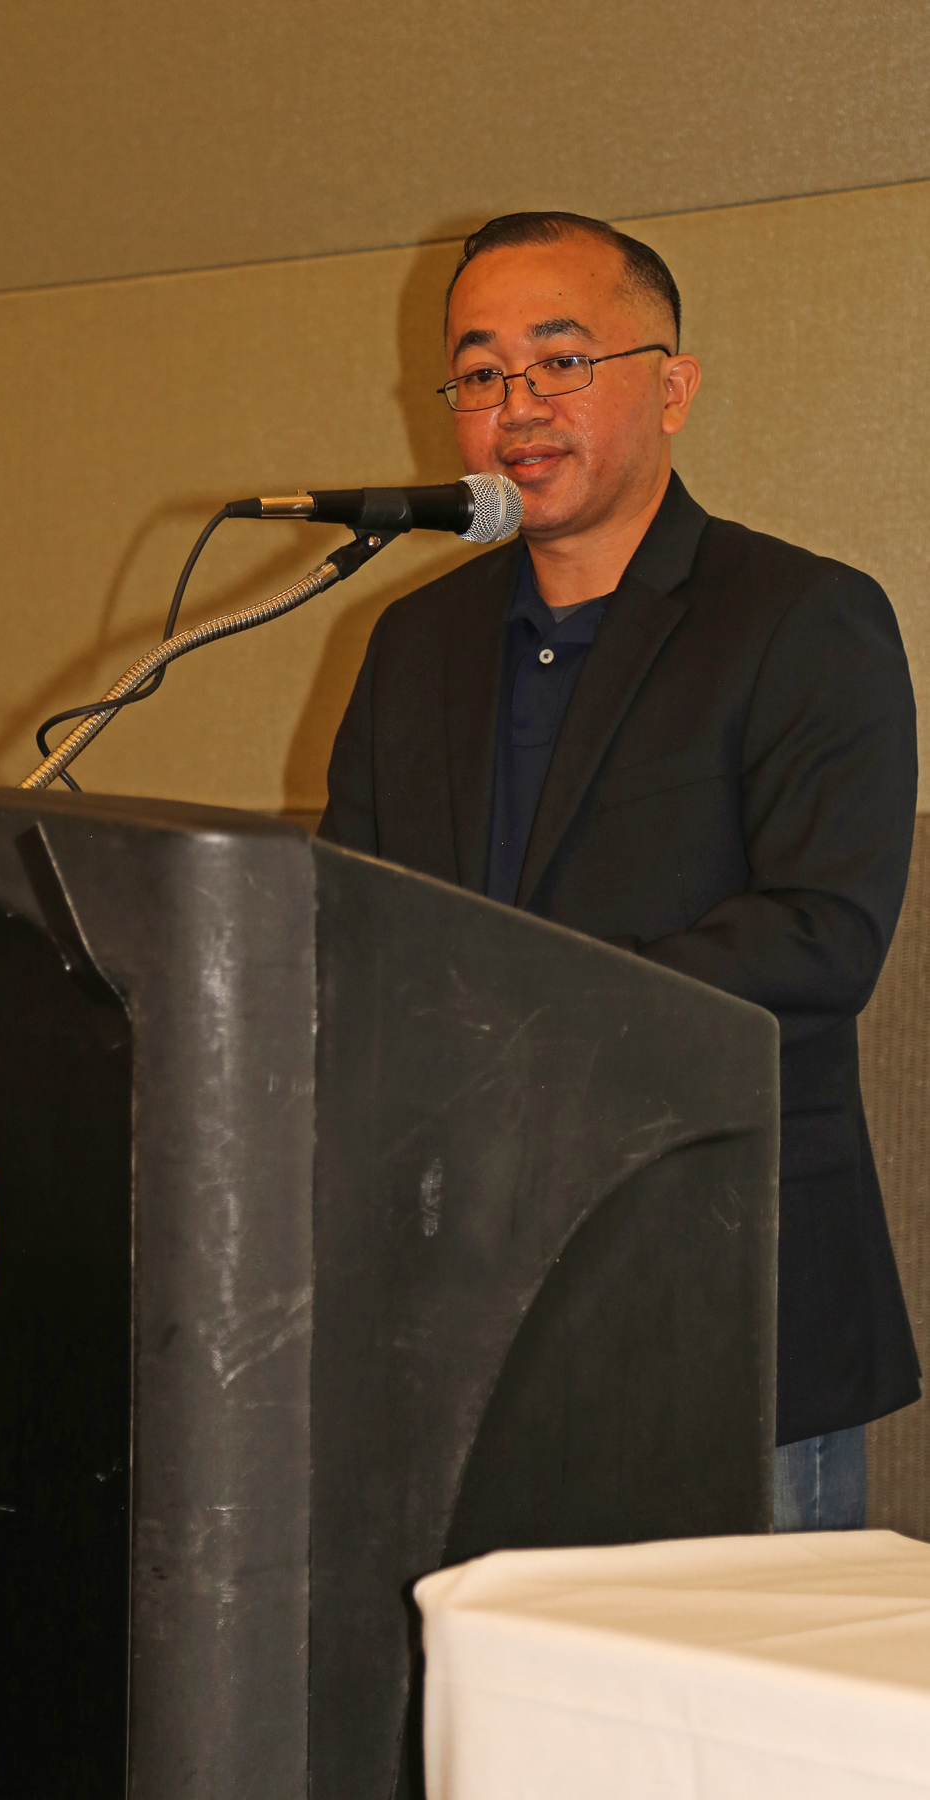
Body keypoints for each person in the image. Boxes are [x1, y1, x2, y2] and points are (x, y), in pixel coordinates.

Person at [319, 211, 920, 1531]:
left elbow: (819, 939)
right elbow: (344, 927)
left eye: (561, 361)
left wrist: (513, 1008)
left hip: (720, 1304)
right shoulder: (410, 645)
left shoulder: (803, 618)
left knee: (725, 1734)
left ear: (673, 385)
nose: (517, 406)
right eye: (479, 374)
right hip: (462, 1317)